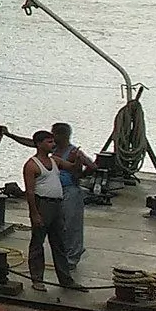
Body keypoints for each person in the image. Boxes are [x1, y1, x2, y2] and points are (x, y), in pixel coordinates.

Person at [22, 130, 90, 292]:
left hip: (57, 205)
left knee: (59, 243)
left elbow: (74, 169)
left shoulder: (55, 161)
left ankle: (66, 279)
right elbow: (30, 192)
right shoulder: (31, 165)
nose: (53, 145)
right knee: (38, 243)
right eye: (49, 142)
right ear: (39, 144)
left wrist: (77, 159)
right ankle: (37, 279)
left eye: (53, 141)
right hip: (42, 204)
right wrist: (34, 213)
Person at [50, 120, 95, 280]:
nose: (52, 137)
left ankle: (73, 256)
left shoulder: (74, 151)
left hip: (70, 191)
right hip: (56, 190)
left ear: (61, 135)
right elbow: (32, 142)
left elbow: (92, 166)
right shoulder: (53, 148)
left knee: (72, 224)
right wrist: (10, 136)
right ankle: (65, 254)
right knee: (60, 224)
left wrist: (80, 174)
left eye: (53, 134)